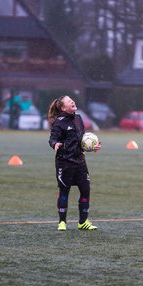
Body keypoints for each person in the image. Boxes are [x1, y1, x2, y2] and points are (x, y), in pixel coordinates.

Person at [48, 95, 101, 231]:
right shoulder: (58, 122)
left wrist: (91, 147)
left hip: (79, 162)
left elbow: (80, 143)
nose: (73, 101)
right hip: (64, 162)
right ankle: (62, 222)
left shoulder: (78, 119)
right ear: (63, 107)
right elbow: (52, 139)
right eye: (69, 101)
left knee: (85, 191)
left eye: (72, 100)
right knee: (64, 191)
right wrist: (55, 144)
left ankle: (83, 222)